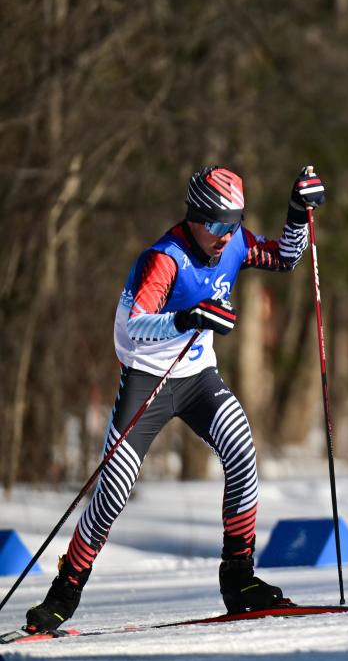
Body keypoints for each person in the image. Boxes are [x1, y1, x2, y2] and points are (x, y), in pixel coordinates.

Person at [23, 165, 327, 633]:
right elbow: (136, 326)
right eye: (218, 224)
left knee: (243, 454)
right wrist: (186, 318)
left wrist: (296, 210)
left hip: (198, 377)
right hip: (148, 380)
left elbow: (286, 258)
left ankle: (239, 580)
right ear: (195, 216)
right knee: (115, 489)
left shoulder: (236, 242)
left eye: (235, 222)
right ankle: (63, 595)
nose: (227, 235)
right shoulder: (164, 258)